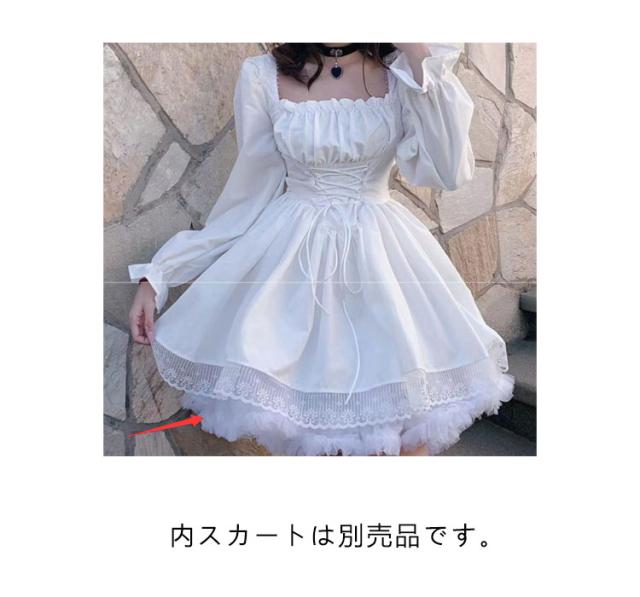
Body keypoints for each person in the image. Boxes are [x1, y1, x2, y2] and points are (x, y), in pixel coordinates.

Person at [128, 42, 515, 456]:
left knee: (404, 442)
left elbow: (451, 170)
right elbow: (244, 202)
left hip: (384, 268)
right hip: (295, 280)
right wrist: (160, 275)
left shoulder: (401, 72)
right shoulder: (263, 76)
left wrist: (418, 56)